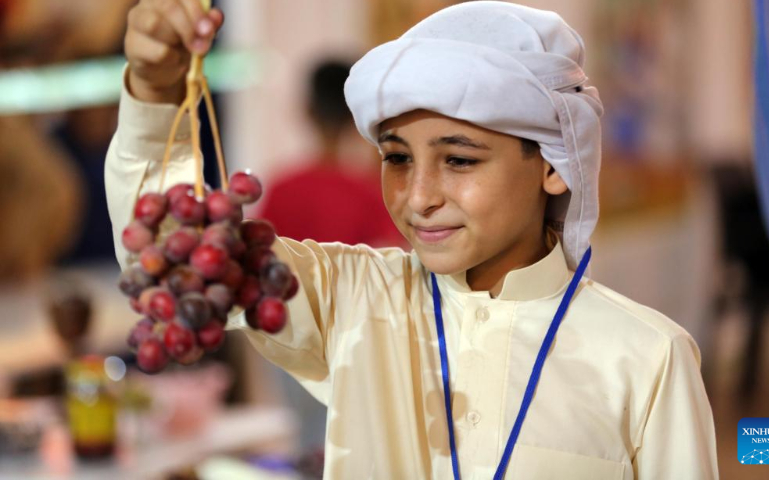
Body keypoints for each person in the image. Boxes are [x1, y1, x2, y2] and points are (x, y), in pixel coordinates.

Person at [106, 1, 719, 478]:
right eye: (397, 159)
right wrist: (156, 91)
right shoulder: (355, 300)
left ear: (555, 164)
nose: (418, 195)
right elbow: (170, 254)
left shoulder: (647, 356)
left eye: (458, 161)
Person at [256, 59, 405, 247]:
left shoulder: (281, 189)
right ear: (355, 117)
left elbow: (260, 251)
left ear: (308, 111)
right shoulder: (373, 190)